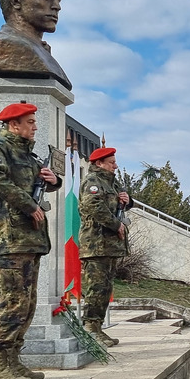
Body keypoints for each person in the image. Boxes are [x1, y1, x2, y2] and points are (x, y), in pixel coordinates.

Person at [0, 101, 62, 379]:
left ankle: (14, 360)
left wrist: (53, 180)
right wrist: (27, 204)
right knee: (11, 302)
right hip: (10, 239)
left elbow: (42, 182)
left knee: (27, 304)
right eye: (30, 122)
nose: (35, 126)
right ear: (15, 125)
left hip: (29, 241)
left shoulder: (28, 155)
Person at [78, 147, 132, 348]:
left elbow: (117, 205)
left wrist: (127, 201)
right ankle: (91, 329)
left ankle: (97, 327)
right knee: (96, 288)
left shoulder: (112, 183)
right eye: (111, 162)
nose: (115, 166)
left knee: (105, 288)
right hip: (96, 244)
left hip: (109, 246)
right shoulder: (93, 182)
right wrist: (116, 224)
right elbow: (94, 207)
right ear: (99, 163)